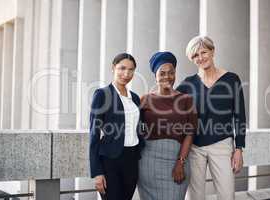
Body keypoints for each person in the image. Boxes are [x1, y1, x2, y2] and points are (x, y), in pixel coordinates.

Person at [176, 36, 246, 200]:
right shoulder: (187, 84)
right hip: (194, 147)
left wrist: (239, 148)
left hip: (222, 145)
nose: (200, 58)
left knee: (227, 195)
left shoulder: (231, 79)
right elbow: (171, 106)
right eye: (195, 56)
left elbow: (240, 116)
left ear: (212, 51)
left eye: (204, 52)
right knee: (195, 197)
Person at [137, 51, 198, 200]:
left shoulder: (186, 100)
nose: (167, 77)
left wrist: (180, 162)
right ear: (155, 75)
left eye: (171, 73)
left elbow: (190, 134)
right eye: (162, 73)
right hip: (148, 162)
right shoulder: (145, 99)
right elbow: (132, 127)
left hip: (177, 159)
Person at [89, 53, 144, 200]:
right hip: (110, 160)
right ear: (113, 68)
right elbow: (94, 134)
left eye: (131, 70)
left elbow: (139, 128)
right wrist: (97, 172)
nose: (126, 74)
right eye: (122, 68)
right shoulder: (102, 95)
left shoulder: (135, 98)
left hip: (132, 159)